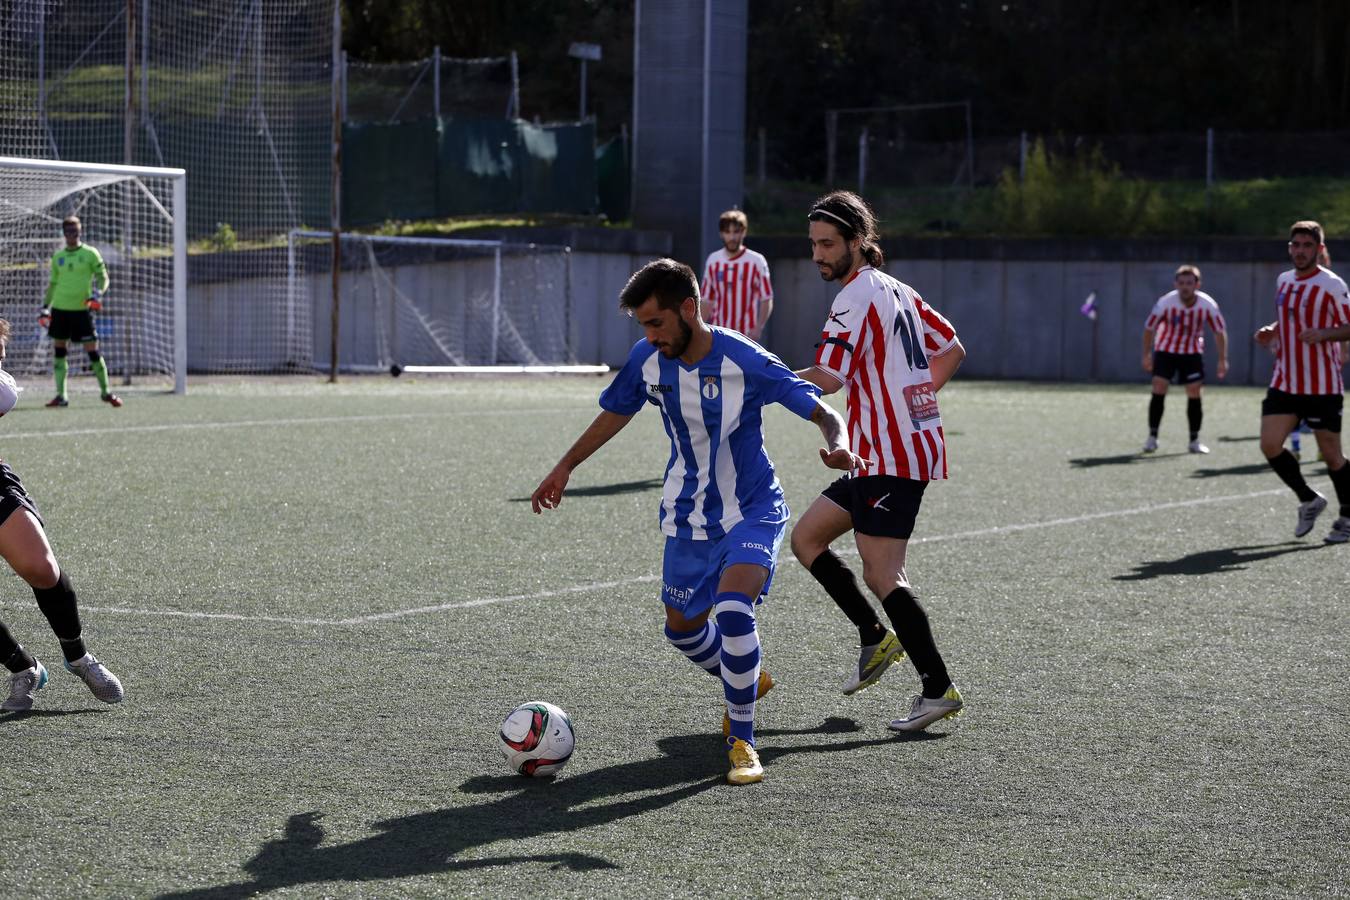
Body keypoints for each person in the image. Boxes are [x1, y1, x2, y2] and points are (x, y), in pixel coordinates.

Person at [531, 258, 864, 785]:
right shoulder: (648, 358)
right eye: (642, 325)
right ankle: (747, 680)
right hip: (687, 516)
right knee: (682, 629)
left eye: (656, 322)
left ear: (690, 308)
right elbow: (616, 411)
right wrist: (565, 466)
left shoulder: (744, 359)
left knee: (733, 608)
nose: (649, 335)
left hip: (753, 509)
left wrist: (838, 445)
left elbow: (823, 410)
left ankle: (743, 741)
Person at [789, 190, 967, 733]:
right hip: (881, 453)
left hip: (890, 454)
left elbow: (828, 378)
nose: (818, 254)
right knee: (807, 539)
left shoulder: (854, 296)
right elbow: (953, 348)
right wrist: (917, 400)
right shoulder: (898, 290)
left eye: (828, 244)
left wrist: (758, 383)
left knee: (883, 571)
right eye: (813, 244)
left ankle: (937, 688)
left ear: (859, 242)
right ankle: (874, 636)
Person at [0, 318, 124, 712]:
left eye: (0, 355)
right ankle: (23, 667)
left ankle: (79, 658)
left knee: (41, 569)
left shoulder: (2, 387)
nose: (1, 363)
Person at [1254, 220, 1350, 543]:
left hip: (1322, 386)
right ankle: (1309, 499)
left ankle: (1347, 517)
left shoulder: (1332, 285)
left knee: (1332, 455)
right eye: (1296, 245)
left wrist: (1325, 334)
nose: (1300, 251)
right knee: (1269, 444)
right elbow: (1289, 317)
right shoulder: (1283, 280)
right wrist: (1272, 330)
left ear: (1319, 250)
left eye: (1308, 246)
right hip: (1285, 380)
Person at [1140, 265, 1229, 454]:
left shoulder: (1207, 304)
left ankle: (1194, 440)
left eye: (1189, 283)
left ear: (1197, 284)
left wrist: (1223, 359)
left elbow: (1219, 332)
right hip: (1166, 350)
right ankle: (1152, 437)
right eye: (1181, 283)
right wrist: (1147, 354)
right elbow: (1149, 327)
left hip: (1191, 353)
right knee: (1158, 386)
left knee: (1194, 390)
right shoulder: (1166, 302)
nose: (1185, 287)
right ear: (1175, 284)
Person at [40, 216, 122, 408]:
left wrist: (98, 293)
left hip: (81, 311)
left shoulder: (90, 254)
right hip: (60, 310)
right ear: (64, 233)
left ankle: (106, 392)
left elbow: (103, 278)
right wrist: (45, 307)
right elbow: (52, 285)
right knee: (59, 351)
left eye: (75, 231)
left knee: (93, 351)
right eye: (68, 231)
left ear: (80, 231)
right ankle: (61, 396)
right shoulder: (58, 257)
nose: (72, 235)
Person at [700, 209, 774, 342]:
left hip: (746, 336)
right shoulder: (713, 260)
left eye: (736, 232)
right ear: (721, 234)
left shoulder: (756, 261)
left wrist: (758, 327)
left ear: (744, 232)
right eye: (727, 232)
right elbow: (706, 301)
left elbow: (766, 298)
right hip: (718, 334)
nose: (732, 237)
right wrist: (699, 330)